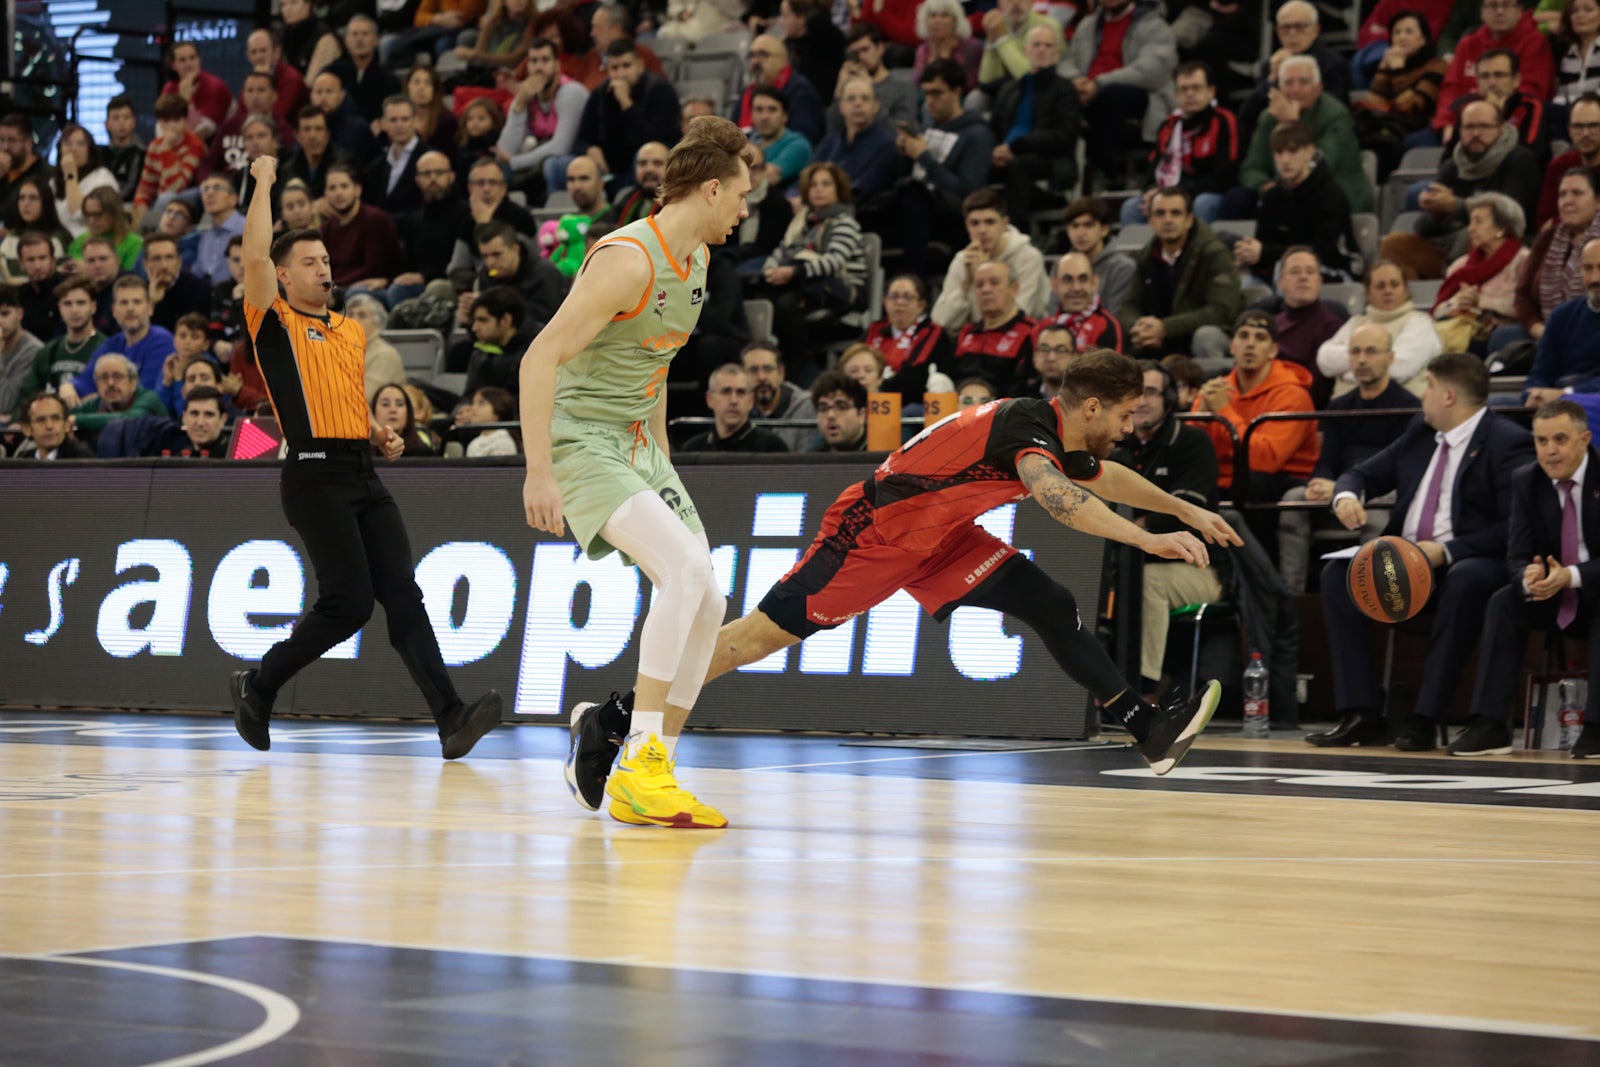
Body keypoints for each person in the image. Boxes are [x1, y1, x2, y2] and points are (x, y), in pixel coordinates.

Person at [563, 350, 1243, 821]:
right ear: (1091, 405)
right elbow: (1062, 499)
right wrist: (1149, 537)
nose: (1128, 429)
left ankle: (1145, 729)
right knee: (746, 642)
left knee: (1049, 601)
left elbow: (1100, 477)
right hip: (875, 533)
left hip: (940, 537)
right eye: (1124, 416)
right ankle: (612, 720)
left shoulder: (1055, 428)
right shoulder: (1026, 431)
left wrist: (1182, 509)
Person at [519, 116, 754, 829]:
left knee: (709, 599)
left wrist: (660, 461)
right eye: (741, 194)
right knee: (683, 572)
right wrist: (538, 471)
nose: (745, 208)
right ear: (712, 189)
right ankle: (640, 750)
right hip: (579, 438)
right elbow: (538, 360)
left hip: (636, 444)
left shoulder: (700, 264)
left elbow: (650, 368)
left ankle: (647, 768)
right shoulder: (626, 259)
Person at [229, 153, 502, 758]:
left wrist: (378, 432)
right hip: (311, 476)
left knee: (402, 593)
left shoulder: (349, 330)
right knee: (348, 604)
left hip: (361, 469)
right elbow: (252, 255)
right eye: (309, 262)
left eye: (326, 259)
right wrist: (265, 181)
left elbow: (349, 397)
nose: (324, 268)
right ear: (283, 276)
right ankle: (260, 682)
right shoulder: (272, 321)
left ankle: (451, 717)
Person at [1310, 353, 1533, 751]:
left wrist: (1444, 552)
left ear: (1448, 395)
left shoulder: (1506, 441)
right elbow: (1363, 472)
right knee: (1337, 576)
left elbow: (1512, 527)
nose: (1421, 396)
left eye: (1427, 386)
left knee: (1467, 578)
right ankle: (1361, 713)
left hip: (1465, 563)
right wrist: (1346, 495)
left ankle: (1425, 718)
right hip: (1405, 562)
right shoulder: (1420, 431)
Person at [1466, 400, 1600, 758]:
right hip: (1555, 591)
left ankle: (1597, 728)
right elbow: (1516, 555)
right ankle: (1490, 724)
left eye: (1560, 439)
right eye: (1541, 441)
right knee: (1504, 602)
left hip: (1592, 587)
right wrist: (1527, 579)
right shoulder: (1526, 480)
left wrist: (1569, 576)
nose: (1550, 450)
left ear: (1584, 439)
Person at [1277, 322, 1420, 594]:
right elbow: (1327, 459)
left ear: (1390, 358)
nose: (1362, 360)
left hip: (1383, 491)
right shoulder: (1338, 407)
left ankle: (1377, 595)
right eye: (1355, 352)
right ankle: (1292, 598)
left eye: (1371, 352)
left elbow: (1400, 468)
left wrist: (1344, 487)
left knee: (1378, 512)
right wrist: (1321, 481)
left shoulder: (1409, 407)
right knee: (1292, 500)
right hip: (1341, 489)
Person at [1110, 360, 1225, 695]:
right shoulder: (1118, 448)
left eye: (1150, 392)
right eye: (1133, 394)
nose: (1141, 401)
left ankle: (1143, 689)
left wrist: (1132, 525)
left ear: (1169, 399)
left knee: (1146, 583)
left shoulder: (1192, 443)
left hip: (1198, 567)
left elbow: (1183, 513)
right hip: (1125, 561)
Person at [1194, 309, 1320, 551]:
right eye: (1243, 336)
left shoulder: (1292, 394)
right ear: (1232, 346)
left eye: (1260, 338)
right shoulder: (1217, 389)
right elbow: (1192, 451)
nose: (1250, 344)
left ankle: (1258, 583)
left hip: (1279, 480)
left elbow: (1266, 459)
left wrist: (1223, 410)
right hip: (1228, 478)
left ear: (1273, 350)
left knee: (1253, 484)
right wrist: (1200, 416)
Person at [1231, 56, 1372, 218]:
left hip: (1335, 195)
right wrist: (1267, 187)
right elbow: (1251, 168)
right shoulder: (1268, 117)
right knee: (1237, 199)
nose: (1295, 90)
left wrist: (1292, 124)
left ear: (1319, 88)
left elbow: (1321, 166)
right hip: (1284, 196)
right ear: (1277, 89)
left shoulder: (1335, 115)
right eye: (1288, 83)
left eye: (1303, 82)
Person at [890, 60, 995, 277]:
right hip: (915, 211)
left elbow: (968, 192)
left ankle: (912, 280)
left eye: (937, 93)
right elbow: (912, 174)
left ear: (957, 92)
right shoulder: (927, 127)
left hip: (951, 218)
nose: (930, 101)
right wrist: (906, 155)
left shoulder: (977, 134)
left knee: (913, 195)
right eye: (926, 93)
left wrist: (923, 157)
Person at [1118, 186, 1242, 370]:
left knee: (1206, 336)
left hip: (1200, 334)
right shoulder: (1144, 257)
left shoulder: (1214, 253)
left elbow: (1223, 310)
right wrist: (1138, 328)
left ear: (1189, 220)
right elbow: (1128, 305)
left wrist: (1165, 328)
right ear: (1151, 220)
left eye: (1175, 213)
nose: (1168, 220)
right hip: (1159, 339)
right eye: (1160, 213)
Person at [1059, 0, 1178, 186]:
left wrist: (1098, 83)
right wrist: (1077, 81)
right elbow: (1065, 61)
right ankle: (1064, 177)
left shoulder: (1154, 25)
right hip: (1087, 93)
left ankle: (1109, 173)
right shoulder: (1087, 26)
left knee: (1110, 96)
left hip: (1137, 96)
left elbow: (1152, 70)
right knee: (1058, 96)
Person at [760, 161, 866, 365]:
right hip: (807, 285)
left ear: (839, 189)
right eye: (813, 185)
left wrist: (794, 271)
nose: (819, 189)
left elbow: (834, 262)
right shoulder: (802, 223)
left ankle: (801, 367)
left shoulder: (845, 222)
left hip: (841, 290)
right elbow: (782, 250)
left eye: (826, 184)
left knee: (787, 305)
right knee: (765, 296)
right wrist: (770, 270)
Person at [1235, 122, 1357, 283]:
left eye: (1293, 151)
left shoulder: (1331, 196)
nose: (1285, 160)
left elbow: (1325, 253)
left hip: (1330, 273)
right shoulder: (1272, 197)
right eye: (1279, 152)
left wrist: (1265, 253)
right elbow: (1265, 244)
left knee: (1288, 275)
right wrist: (1248, 254)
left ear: (1309, 152)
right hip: (1281, 274)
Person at [1122, 61, 1239, 226]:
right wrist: (1150, 192)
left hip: (1208, 194)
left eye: (1196, 88)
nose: (1190, 94)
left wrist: (1178, 192)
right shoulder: (1168, 125)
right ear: (1176, 94)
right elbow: (1153, 169)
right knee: (1132, 207)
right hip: (1170, 193)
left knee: (1203, 204)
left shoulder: (1225, 121)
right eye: (1184, 89)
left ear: (1211, 91)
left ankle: (1201, 251)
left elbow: (1225, 176)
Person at [559, 39, 681, 197]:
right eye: (614, 68)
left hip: (648, 161)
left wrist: (626, 103)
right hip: (609, 164)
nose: (621, 74)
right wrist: (590, 149)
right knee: (556, 165)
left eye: (626, 66)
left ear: (640, 65)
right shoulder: (600, 94)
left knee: (642, 158)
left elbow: (653, 140)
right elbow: (581, 139)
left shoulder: (660, 90)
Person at [990, 25, 1082, 222]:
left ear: (1057, 53)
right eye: (1037, 44)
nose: (1042, 50)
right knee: (975, 163)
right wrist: (995, 150)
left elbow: (1065, 137)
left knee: (1018, 166)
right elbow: (995, 127)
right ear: (1026, 50)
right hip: (1006, 156)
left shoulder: (1064, 90)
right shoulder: (1010, 89)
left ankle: (1017, 235)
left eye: (1048, 45)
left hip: (1047, 159)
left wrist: (1017, 146)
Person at [1317, 261, 1441, 396]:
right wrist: (1376, 361)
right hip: (1346, 409)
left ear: (1405, 290)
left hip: (1398, 409)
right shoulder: (1356, 322)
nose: (1388, 291)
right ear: (1368, 293)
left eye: (1394, 285)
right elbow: (1325, 360)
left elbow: (1399, 370)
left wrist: (1346, 374)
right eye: (1380, 286)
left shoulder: (1420, 323)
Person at [1431, 0, 1551, 139]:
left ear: (1519, 11)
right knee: (1416, 143)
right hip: (1463, 121)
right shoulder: (1468, 44)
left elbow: (1532, 92)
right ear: (1482, 12)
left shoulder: (1535, 42)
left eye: (1506, 5)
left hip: (1514, 122)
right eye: (1493, 6)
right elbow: (1451, 89)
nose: (1499, 12)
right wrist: (1447, 123)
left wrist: (1491, 121)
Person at [931, 188, 1048, 330]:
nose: (982, 230)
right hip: (975, 340)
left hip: (1022, 340)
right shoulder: (963, 260)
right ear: (966, 226)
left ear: (1004, 224)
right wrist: (966, 284)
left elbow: (1014, 319)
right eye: (974, 223)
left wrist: (980, 276)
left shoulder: (1028, 257)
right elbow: (940, 321)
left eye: (990, 222)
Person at [1512, 166, 1600, 350]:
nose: (1567, 201)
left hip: (1593, 329)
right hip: (1546, 332)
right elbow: (1522, 295)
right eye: (1562, 195)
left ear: (1598, 201)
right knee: (1503, 338)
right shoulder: (1548, 238)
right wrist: (1540, 330)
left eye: (1577, 193)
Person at [1354, 10, 1448, 181]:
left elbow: (1409, 105)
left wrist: (1398, 69)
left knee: (1386, 145)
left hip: (1419, 126)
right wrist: (1384, 69)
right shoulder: (1391, 63)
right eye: (1396, 32)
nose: (1402, 37)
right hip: (1392, 125)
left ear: (1424, 39)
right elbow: (1373, 102)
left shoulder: (1437, 66)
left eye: (1409, 31)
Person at [1431, 192, 1529, 353]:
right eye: (1471, 222)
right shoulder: (1460, 266)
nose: (1470, 229)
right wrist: (1457, 304)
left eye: (1478, 222)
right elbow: (1437, 310)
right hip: (1461, 329)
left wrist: (1480, 304)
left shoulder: (1524, 261)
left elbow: (1528, 306)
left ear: (1502, 228)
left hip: (1502, 336)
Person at [1254, 246, 1347, 404]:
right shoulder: (1270, 327)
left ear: (1319, 281)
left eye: (1310, 272)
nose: (1303, 277)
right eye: (1295, 272)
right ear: (1281, 282)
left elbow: (1318, 390)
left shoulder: (1333, 327)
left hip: (1300, 409)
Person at [495, 37, 589, 188]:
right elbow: (505, 150)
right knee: (497, 170)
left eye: (545, 60)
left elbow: (561, 148)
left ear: (557, 65)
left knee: (551, 164)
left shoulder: (571, 92)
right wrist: (520, 104)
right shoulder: (528, 94)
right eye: (534, 61)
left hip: (577, 158)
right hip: (541, 159)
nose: (539, 67)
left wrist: (515, 161)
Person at [63, 277, 174, 403]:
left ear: (150, 309)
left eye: (137, 302)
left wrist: (97, 399)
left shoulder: (162, 341)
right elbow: (86, 380)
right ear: (114, 311)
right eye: (124, 303)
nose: (130, 308)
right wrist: (68, 386)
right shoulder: (113, 344)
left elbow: (143, 394)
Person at [1524, 238, 1600, 401]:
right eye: (1588, 268)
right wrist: (1532, 395)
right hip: (1556, 403)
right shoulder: (1562, 315)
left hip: (1590, 403)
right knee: (1494, 406)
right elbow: (1540, 372)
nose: (1595, 278)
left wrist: (1568, 394)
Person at [15, 276, 103, 413]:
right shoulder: (48, 352)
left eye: (81, 303)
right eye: (67, 304)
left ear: (93, 307)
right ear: (59, 308)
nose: (74, 310)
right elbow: (26, 398)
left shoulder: (107, 348)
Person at [949, 260, 1036, 396]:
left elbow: (1026, 386)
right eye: (979, 285)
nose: (986, 289)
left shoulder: (1031, 332)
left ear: (1014, 289)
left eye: (994, 283)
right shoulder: (966, 333)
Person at [864, 273, 953, 400]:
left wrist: (877, 386)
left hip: (911, 402)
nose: (900, 302)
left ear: (921, 305)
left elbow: (917, 377)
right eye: (893, 296)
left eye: (908, 297)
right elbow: (852, 361)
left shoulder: (932, 332)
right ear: (885, 302)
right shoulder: (875, 329)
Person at [320, 162, 405, 291]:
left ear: (357, 190)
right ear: (325, 194)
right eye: (332, 188)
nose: (338, 193)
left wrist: (333, 286)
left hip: (374, 286)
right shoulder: (327, 227)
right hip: (336, 287)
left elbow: (372, 269)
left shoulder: (375, 220)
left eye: (344, 186)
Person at [813, 77, 898, 203]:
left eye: (865, 98)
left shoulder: (887, 145)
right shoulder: (829, 143)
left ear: (875, 106)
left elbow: (863, 190)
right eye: (851, 99)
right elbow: (808, 177)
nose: (858, 104)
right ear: (841, 106)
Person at [679, 362, 789, 452]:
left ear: (751, 400)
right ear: (710, 399)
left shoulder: (772, 448)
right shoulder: (692, 449)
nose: (734, 400)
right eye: (726, 392)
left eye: (741, 392)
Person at [735, 35, 826, 145]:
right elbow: (731, 130)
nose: (756, 61)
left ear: (783, 60)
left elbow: (804, 138)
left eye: (763, 54)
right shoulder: (748, 92)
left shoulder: (800, 89)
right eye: (752, 56)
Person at [832, 24, 919, 133]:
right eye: (855, 53)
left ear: (880, 48)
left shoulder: (904, 87)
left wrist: (870, 90)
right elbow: (832, 131)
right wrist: (839, 90)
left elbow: (902, 133)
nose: (861, 57)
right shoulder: (850, 90)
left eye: (865, 50)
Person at [66, 352, 168, 442]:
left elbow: (127, 419)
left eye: (117, 377)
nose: (110, 383)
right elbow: (67, 415)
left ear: (133, 381)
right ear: (97, 384)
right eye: (104, 377)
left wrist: (76, 420)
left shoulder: (148, 399)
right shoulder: (96, 403)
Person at [1036, 252, 1126, 353]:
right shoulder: (1042, 327)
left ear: (1095, 283)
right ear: (1054, 285)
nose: (1076, 288)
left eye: (1083, 279)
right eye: (1068, 280)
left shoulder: (1107, 326)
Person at [1061, 197, 1137, 313]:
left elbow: (1115, 316)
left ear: (1104, 230)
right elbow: (1054, 311)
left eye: (1088, 225)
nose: (1080, 233)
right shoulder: (1061, 265)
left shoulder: (1122, 267)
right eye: (1075, 226)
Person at [326, 14, 403, 124]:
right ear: (346, 41)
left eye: (365, 34)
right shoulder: (331, 74)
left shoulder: (390, 81)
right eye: (354, 34)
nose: (359, 38)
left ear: (376, 40)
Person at [1537, 96, 1600, 227]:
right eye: (1578, 126)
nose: (1585, 133)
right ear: (1569, 130)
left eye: (1593, 126)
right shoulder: (1559, 166)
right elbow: (1545, 222)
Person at [743, 341, 815, 451]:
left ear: (781, 373)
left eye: (768, 369)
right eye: (753, 370)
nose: (761, 377)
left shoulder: (806, 407)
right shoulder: (737, 409)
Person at [51, 124, 119, 239]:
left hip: (93, 240)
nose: (73, 149)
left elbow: (78, 213)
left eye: (80, 144)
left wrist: (70, 175)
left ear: (90, 150)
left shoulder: (102, 178)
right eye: (68, 144)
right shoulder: (53, 183)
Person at [976, 0, 1063, 88]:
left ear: (1032, 2)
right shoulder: (997, 24)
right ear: (999, 3)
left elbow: (1033, 77)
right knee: (976, 98)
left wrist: (1001, 40)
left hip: (1041, 88)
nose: (1016, 2)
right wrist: (991, 41)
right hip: (1006, 88)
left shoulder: (1048, 26)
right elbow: (986, 81)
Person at [161, 40, 235, 141]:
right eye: (182, 60)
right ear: (173, 65)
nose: (189, 64)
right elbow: (161, 126)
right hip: (178, 144)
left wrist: (186, 100)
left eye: (192, 58)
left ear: (199, 60)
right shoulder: (169, 88)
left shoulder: (215, 86)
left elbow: (203, 131)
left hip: (214, 144)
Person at [365, 95, 425, 217]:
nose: (399, 125)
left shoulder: (430, 158)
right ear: (383, 123)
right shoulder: (376, 165)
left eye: (405, 119)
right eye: (393, 120)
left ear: (415, 121)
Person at [341, 293, 406, 402]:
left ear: (377, 323)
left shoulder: (384, 355)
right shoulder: (342, 350)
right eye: (350, 315)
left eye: (362, 315)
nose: (353, 320)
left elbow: (363, 398)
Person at [144, 233, 213, 331]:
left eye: (169, 257)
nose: (164, 265)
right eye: (156, 259)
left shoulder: (198, 288)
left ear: (179, 261)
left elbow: (191, 333)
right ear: (146, 264)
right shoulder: (138, 291)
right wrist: (152, 302)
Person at [746, 88, 813, 186]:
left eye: (772, 110)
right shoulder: (750, 141)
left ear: (785, 116)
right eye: (759, 109)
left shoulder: (798, 145)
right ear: (751, 115)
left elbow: (765, 178)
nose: (765, 117)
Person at [913, 0, 983, 86]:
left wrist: (945, 56)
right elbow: (918, 83)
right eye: (933, 15)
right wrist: (934, 55)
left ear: (956, 21)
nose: (937, 21)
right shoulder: (923, 49)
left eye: (944, 15)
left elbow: (968, 83)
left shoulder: (972, 47)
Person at [0, 283, 43, 418]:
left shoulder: (33, 351)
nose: (0, 321)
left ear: (20, 314)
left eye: (5, 314)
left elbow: (5, 404)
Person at [0, 113, 53, 220]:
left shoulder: (46, 175)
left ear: (28, 143)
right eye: (1, 140)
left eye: (12, 140)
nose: (5, 147)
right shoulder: (2, 170)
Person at [14, 232, 64, 341]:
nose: (37, 266)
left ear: (53, 261)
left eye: (42, 258)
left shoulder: (68, 290)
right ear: (21, 263)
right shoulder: (18, 296)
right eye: (30, 260)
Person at [14, 392, 91, 459]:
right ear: (27, 429)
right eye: (41, 420)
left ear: (66, 425)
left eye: (55, 419)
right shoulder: (23, 459)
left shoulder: (81, 458)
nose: (49, 426)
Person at [371, 382, 438, 456]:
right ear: (373, 412)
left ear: (409, 413)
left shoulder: (424, 453)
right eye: (385, 404)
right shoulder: (362, 451)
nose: (393, 410)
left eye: (399, 404)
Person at [103, 95, 147, 204]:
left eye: (126, 117)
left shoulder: (142, 153)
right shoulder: (99, 154)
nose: (121, 123)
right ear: (107, 124)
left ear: (133, 122)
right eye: (116, 118)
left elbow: (132, 187)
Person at [454, 386, 521, 456]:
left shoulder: (503, 442)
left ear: (497, 413)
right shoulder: (474, 443)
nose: (473, 408)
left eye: (481, 404)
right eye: (473, 403)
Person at [177, 384, 231, 457]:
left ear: (223, 420)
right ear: (184, 418)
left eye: (209, 415)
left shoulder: (239, 459)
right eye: (194, 414)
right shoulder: (177, 461)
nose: (200, 422)